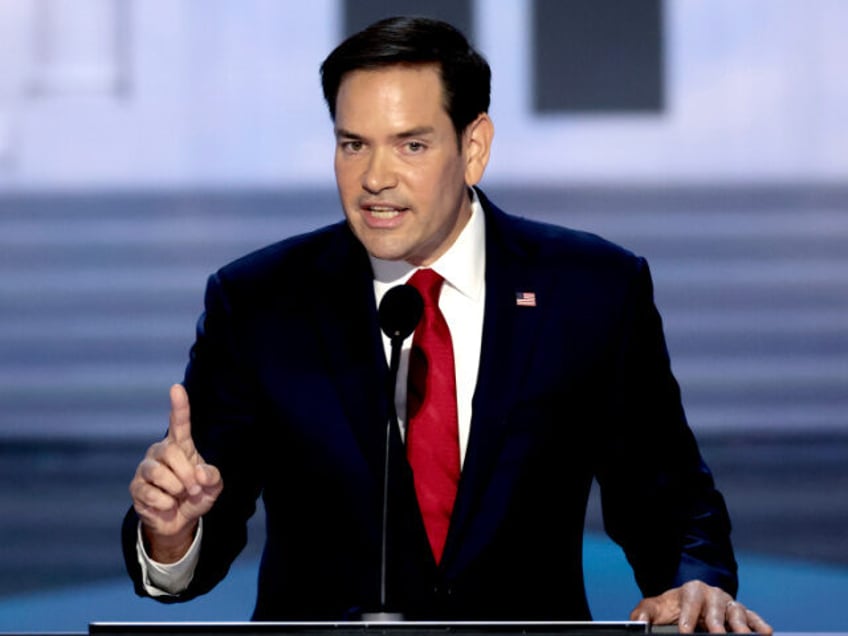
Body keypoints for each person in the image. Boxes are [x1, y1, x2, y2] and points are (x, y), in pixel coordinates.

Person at [124, 16, 772, 634]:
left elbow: (666, 495)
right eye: (353, 145)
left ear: (474, 147)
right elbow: (196, 538)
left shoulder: (591, 289)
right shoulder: (261, 301)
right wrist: (173, 534)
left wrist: (693, 581)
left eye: (411, 144)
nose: (375, 178)